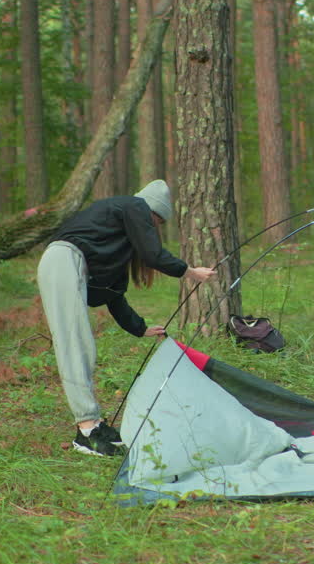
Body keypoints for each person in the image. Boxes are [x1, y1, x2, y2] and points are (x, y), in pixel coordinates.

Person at [38, 180, 216, 456]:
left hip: (68, 264)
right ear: (152, 213)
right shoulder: (136, 205)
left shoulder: (114, 242)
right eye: (155, 222)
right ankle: (86, 431)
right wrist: (190, 272)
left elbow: (113, 295)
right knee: (76, 345)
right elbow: (152, 254)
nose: (152, 227)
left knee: (82, 346)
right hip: (62, 262)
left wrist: (140, 328)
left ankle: (95, 425)